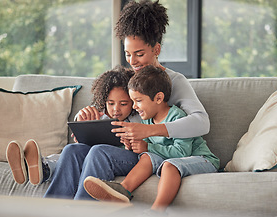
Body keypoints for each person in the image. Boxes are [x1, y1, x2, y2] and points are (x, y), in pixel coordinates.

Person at [44, 0, 210, 200]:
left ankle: (83, 216)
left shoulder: (175, 81)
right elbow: (111, 115)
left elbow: (202, 122)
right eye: (128, 54)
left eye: (139, 54)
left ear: (156, 50)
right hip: (120, 146)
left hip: (146, 152)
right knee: (72, 150)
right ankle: (51, 214)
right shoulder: (125, 78)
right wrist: (87, 122)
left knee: (99, 153)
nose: (132, 62)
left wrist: (148, 131)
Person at [84, 66, 219, 212]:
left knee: (169, 166)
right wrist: (133, 145)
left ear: (159, 98)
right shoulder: (147, 120)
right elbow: (148, 147)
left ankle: (157, 211)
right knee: (147, 157)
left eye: (138, 101)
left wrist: (148, 147)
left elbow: (182, 152)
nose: (134, 106)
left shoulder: (177, 117)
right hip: (170, 158)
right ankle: (123, 190)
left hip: (201, 158)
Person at [5, 65, 134, 188]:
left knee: (86, 152)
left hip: (113, 155)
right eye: (110, 103)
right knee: (70, 149)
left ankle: (43, 169)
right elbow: (83, 134)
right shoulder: (101, 115)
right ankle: (37, 167)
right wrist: (80, 121)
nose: (116, 109)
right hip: (87, 152)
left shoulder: (137, 118)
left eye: (123, 104)